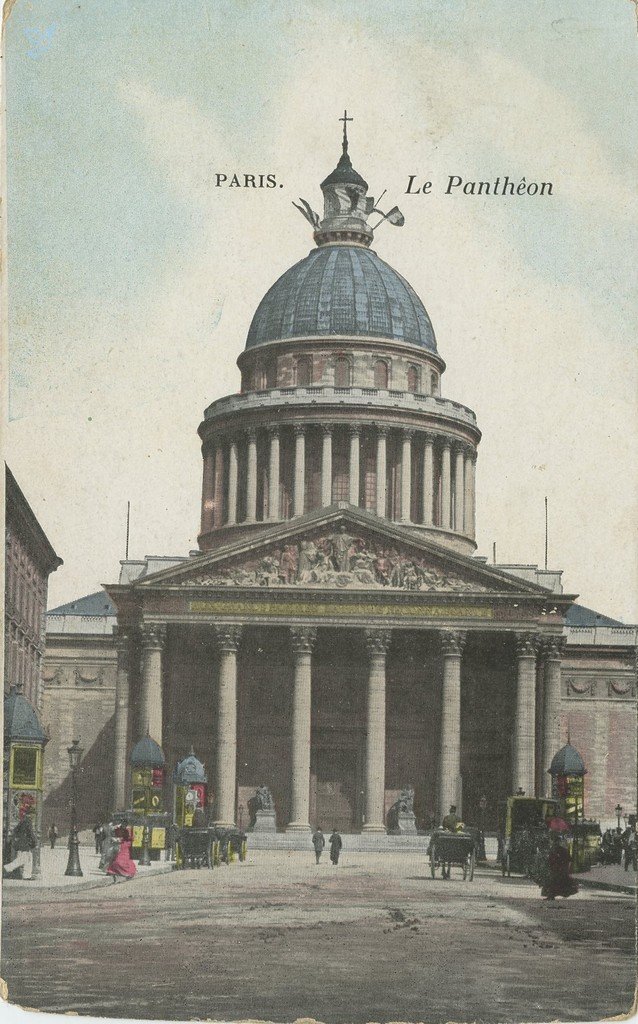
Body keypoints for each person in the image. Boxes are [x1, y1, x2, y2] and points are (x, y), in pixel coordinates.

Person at [541, 835, 578, 900]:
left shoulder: (560, 850)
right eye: (554, 841)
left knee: (555, 882)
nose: (555, 842)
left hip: (558, 869)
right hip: (556, 869)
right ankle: (551, 896)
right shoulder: (555, 849)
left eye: (556, 841)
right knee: (553, 882)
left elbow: (568, 860)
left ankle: (552, 896)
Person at [3, 812, 36, 880]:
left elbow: (15, 830)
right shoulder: (28, 822)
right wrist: (34, 842)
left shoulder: (22, 822)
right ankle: (7, 868)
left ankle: (27, 875)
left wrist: (17, 839)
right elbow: (30, 833)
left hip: (21, 844)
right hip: (26, 844)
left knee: (27, 859)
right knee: (24, 859)